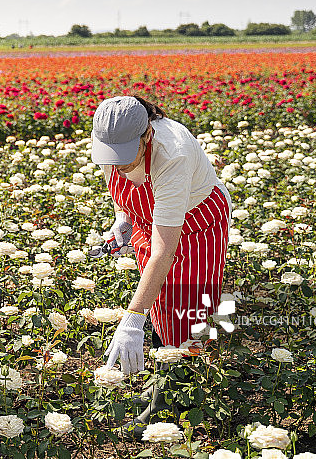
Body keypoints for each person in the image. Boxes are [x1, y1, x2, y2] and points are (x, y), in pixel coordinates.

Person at [90, 95, 232, 437]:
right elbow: (121, 190)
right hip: (150, 222)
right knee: (160, 305)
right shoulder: (109, 140)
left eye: (126, 156)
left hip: (198, 224)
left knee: (185, 309)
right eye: (112, 156)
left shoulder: (172, 154)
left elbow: (164, 251)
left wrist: (131, 319)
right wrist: (123, 219)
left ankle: (172, 404)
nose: (118, 165)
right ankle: (161, 386)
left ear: (146, 136)